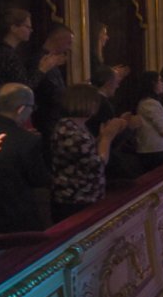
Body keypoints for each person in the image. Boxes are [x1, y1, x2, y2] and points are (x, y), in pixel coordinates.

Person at [50, 84, 127, 221]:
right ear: (87, 103)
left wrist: (102, 137)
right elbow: (98, 163)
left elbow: (85, 152)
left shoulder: (73, 125)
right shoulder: (71, 131)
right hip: (76, 198)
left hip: (83, 194)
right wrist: (107, 138)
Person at [0, 82, 52, 231]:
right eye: (32, 107)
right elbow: (39, 179)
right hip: (13, 216)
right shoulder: (27, 140)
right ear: (21, 109)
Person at [0, 8, 64, 89]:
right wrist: (43, 68)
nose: (31, 30)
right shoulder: (8, 55)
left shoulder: (5, 51)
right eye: (27, 27)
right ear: (14, 28)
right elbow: (24, 88)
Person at [29, 23, 74, 139]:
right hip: (44, 120)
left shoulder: (52, 60)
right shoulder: (39, 60)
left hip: (53, 118)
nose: (69, 48)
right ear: (59, 39)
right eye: (69, 43)